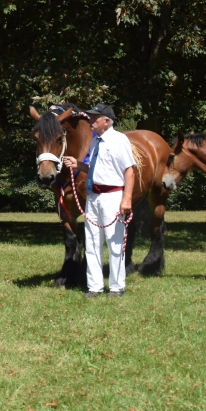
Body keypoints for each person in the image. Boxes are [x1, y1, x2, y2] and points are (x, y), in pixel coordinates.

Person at [63, 103, 136, 299]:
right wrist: (78, 165)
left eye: (95, 117)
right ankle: (95, 286)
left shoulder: (119, 140)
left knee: (114, 242)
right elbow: (95, 169)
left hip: (113, 196)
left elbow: (129, 170)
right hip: (93, 197)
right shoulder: (95, 141)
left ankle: (116, 287)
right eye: (91, 116)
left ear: (106, 121)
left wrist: (127, 199)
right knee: (92, 242)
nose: (91, 120)